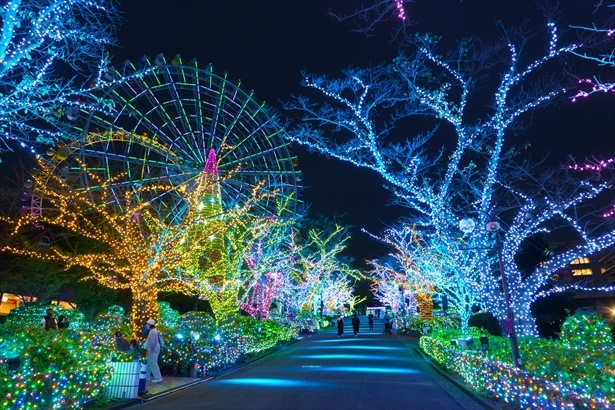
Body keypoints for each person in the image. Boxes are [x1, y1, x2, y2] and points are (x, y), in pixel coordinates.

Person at [143, 318, 163, 383]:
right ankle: (147, 377)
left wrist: (148, 350)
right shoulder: (154, 331)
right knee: (149, 363)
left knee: (153, 363)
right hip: (155, 349)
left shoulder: (152, 332)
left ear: (150, 325)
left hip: (153, 350)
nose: (146, 325)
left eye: (147, 324)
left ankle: (158, 378)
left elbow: (152, 342)